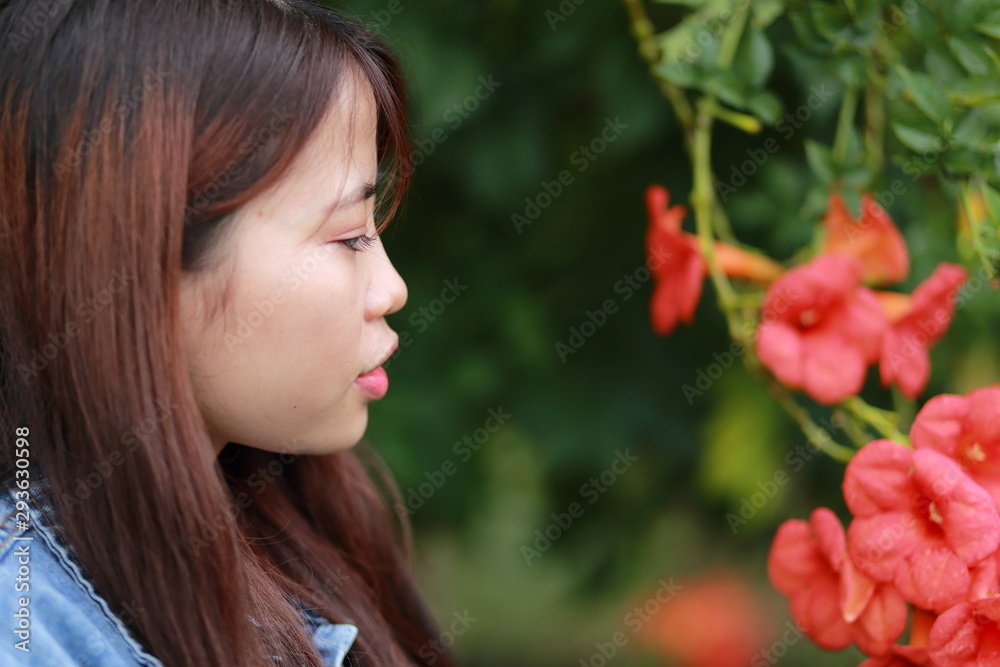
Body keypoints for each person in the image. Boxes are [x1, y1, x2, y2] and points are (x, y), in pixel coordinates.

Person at [0, 1, 454, 665]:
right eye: (349, 235)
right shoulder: (29, 629)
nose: (392, 289)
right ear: (137, 264)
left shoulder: (288, 519)